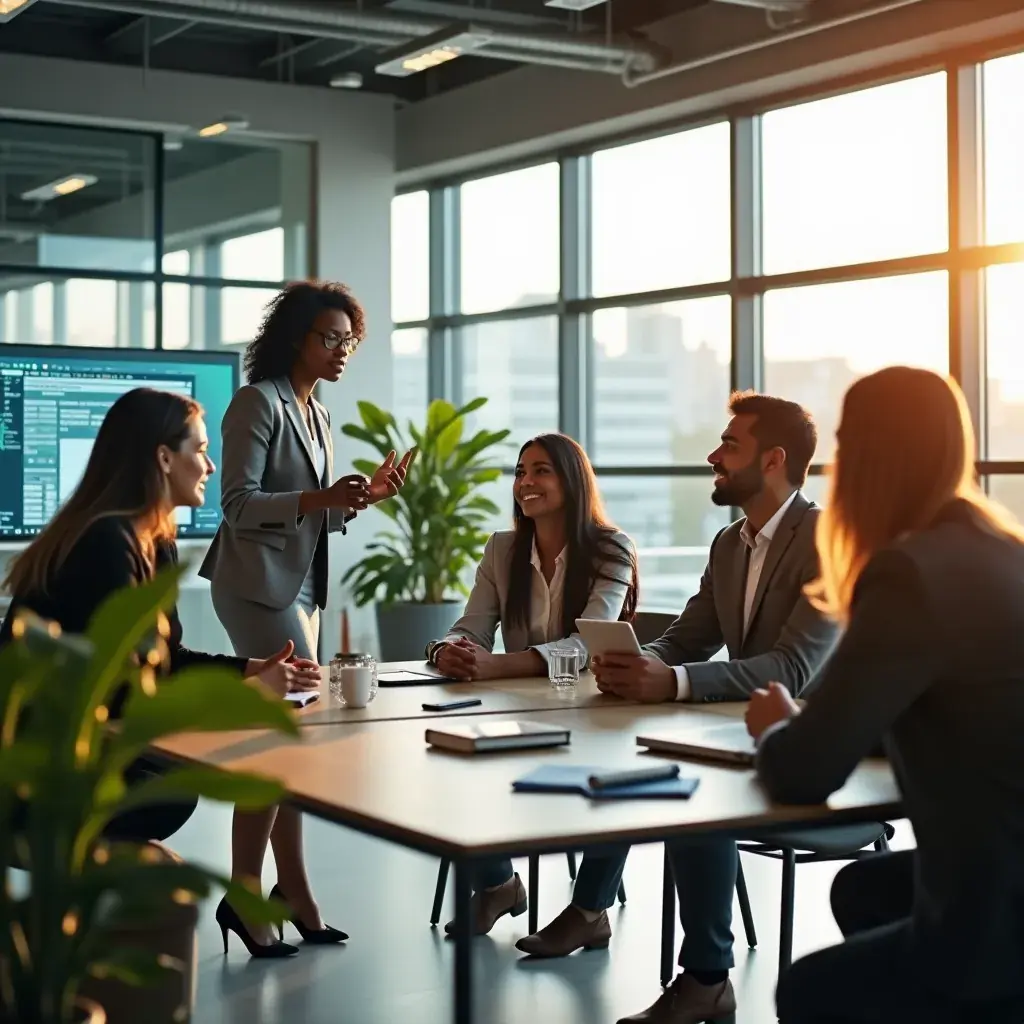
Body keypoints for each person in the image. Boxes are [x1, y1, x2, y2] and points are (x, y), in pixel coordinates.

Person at [517, 393, 839, 1024]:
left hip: (815, 748)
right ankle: (590, 910)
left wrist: (672, 683)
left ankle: (706, 979)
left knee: (695, 794)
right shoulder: (729, 544)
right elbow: (685, 641)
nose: (713, 456)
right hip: (738, 732)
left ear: (774, 460)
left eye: (730, 446)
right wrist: (630, 662)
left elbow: (794, 670)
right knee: (631, 756)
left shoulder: (827, 539)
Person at [747, 367, 1024, 1024]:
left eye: (846, 444)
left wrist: (777, 726)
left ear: (874, 457)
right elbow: (955, 708)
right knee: (866, 889)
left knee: (810, 992)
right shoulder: (1003, 550)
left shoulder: (909, 574)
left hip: (999, 923)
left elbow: (804, 771)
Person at [0, 388, 318, 957]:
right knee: (171, 804)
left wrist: (251, 669)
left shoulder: (149, 539)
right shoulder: (105, 543)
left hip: (89, 756)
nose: (213, 464)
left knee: (176, 795)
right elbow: (129, 686)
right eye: (200, 448)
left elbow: (163, 660)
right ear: (163, 458)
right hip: (39, 779)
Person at [198, 280, 412, 953]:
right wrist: (320, 494)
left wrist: (362, 498)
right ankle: (248, 893)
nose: (342, 350)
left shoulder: (314, 411)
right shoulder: (256, 404)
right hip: (256, 586)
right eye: (330, 338)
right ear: (297, 337)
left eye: (349, 341)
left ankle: (291, 890)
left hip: (302, 588)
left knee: (294, 745)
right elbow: (237, 505)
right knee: (278, 742)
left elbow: (315, 512)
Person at [424, 433, 638, 934]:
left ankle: (589, 910)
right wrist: (448, 650)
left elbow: (587, 646)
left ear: (572, 480)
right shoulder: (502, 549)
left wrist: (498, 666)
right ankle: (499, 885)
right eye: (521, 472)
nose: (526, 482)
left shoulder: (612, 548)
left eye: (541, 471)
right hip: (519, 713)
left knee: (622, 782)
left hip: (597, 714)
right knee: (449, 760)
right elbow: (472, 626)